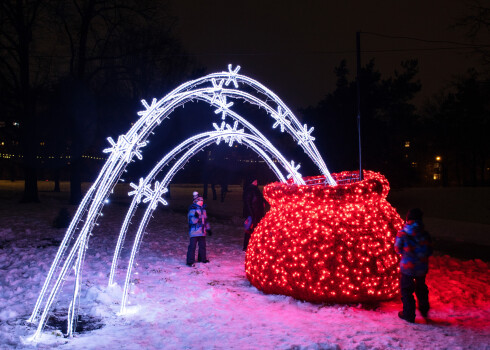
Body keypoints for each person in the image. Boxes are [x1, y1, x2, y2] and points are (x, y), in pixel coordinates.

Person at [394, 208, 433, 323]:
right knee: (421, 288)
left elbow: (397, 249)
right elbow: (429, 251)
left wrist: (406, 252)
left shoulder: (402, 234)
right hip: (421, 268)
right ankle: (424, 310)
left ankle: (409, 314)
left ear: (408, 219)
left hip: (407, 268)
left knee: (406, 290)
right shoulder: (425, 234)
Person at [186, 192, 212, 267]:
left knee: (202, 246)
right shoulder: (192, 210)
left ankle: (202, 259)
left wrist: (208, 228)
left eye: (202, 200)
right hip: (194, 232)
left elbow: (205, 220)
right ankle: (190, 261)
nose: (201, 202)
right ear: (195, 201)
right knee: (192, 246)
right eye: (199, 200)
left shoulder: (204, 210)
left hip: (202, 232)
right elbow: (192, 221)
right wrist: (196, 216)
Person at [242, 179, 266, 251]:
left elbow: (259, 199)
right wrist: (251, 214)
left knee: (256, 229)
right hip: (252, 214)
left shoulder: (255, 189)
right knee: (249, 229)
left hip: (257, 213)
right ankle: (246, 246)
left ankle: (254, 245)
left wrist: (263, 203)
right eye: (254, 181)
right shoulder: (249, 190)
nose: (256, 182)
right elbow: (248, 203)